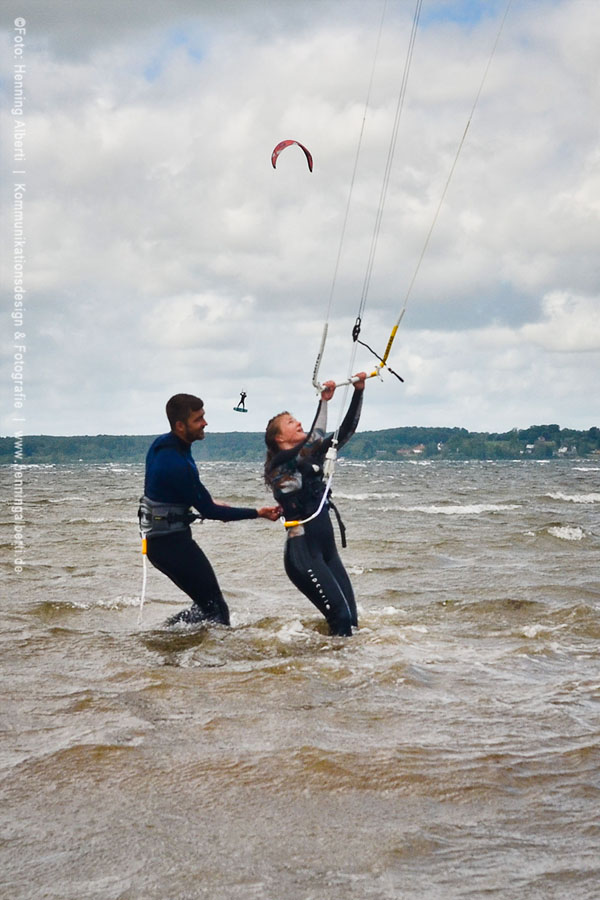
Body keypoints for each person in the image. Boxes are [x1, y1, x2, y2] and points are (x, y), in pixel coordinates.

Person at [139, 393, 280, 626]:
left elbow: (172, 492)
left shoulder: (162, 445)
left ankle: (165, 635)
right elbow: (212, 512)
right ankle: (192, 645)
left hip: (159, 543)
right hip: (171, 546)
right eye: (198, 419)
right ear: (180, 426)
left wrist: (207, 502)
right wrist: (258, 512)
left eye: (203, 416)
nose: (205, 423)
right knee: (217, 609)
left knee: (205, 605)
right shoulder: (176, 463)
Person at [264, 373, 366, 636]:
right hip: (303, 554)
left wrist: (358, 391)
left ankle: (337, 659)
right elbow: (314, 438)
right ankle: (324, 661)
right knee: (340, 618)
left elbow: (347, 431)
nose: (298, 422)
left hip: (327, 550)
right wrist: (324, 402)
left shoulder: (313, 454)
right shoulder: (280, 464)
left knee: (351, 621)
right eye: (291, 422)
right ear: (279, 438)